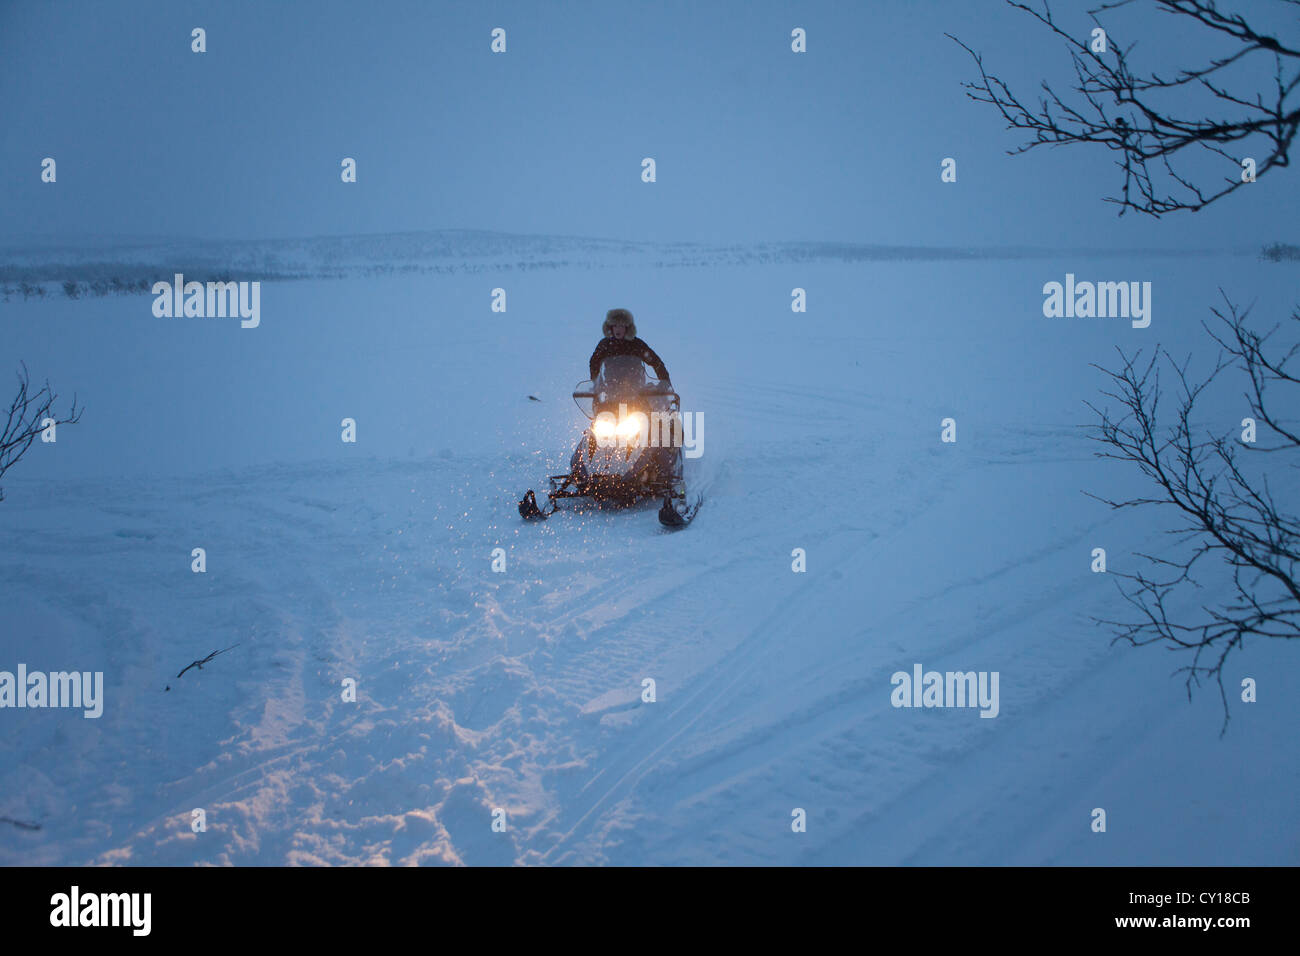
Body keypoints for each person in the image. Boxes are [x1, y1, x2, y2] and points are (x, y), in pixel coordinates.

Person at [588, 308, 670, 384]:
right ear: (610, 328)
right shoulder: (605, 344)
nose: (618, 329)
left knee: (654, 398)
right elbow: (594, 362)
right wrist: (597, 383)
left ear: (627, 328)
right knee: (595, 399)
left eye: (621, 326)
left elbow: (656, 362)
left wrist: (665, 382)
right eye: (615, 326)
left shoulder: (637, 344)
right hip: (611, 390)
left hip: (637, 390)